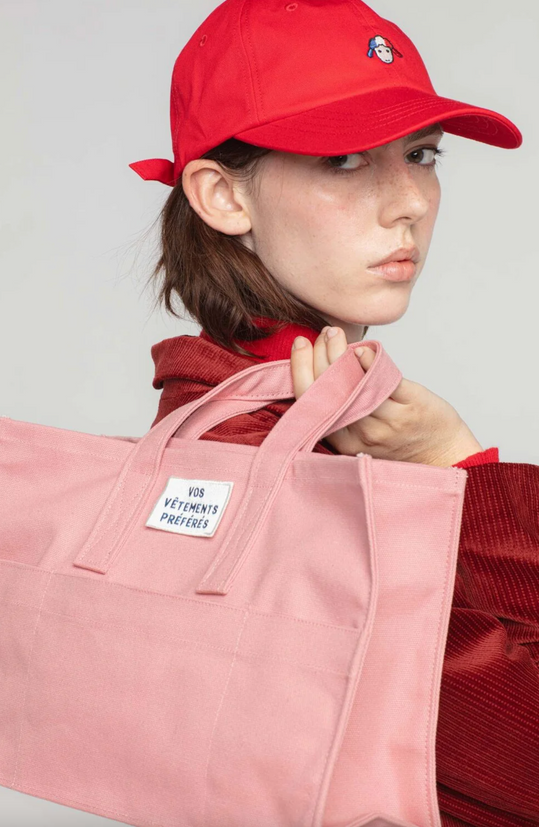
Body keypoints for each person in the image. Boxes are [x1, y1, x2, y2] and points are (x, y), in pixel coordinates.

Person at [129, 1, 539, 824]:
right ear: (222, 195)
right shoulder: (266, 472)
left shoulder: (257, 430)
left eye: (421, 154)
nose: (410, 201)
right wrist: (459, 468)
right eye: (345, 159)